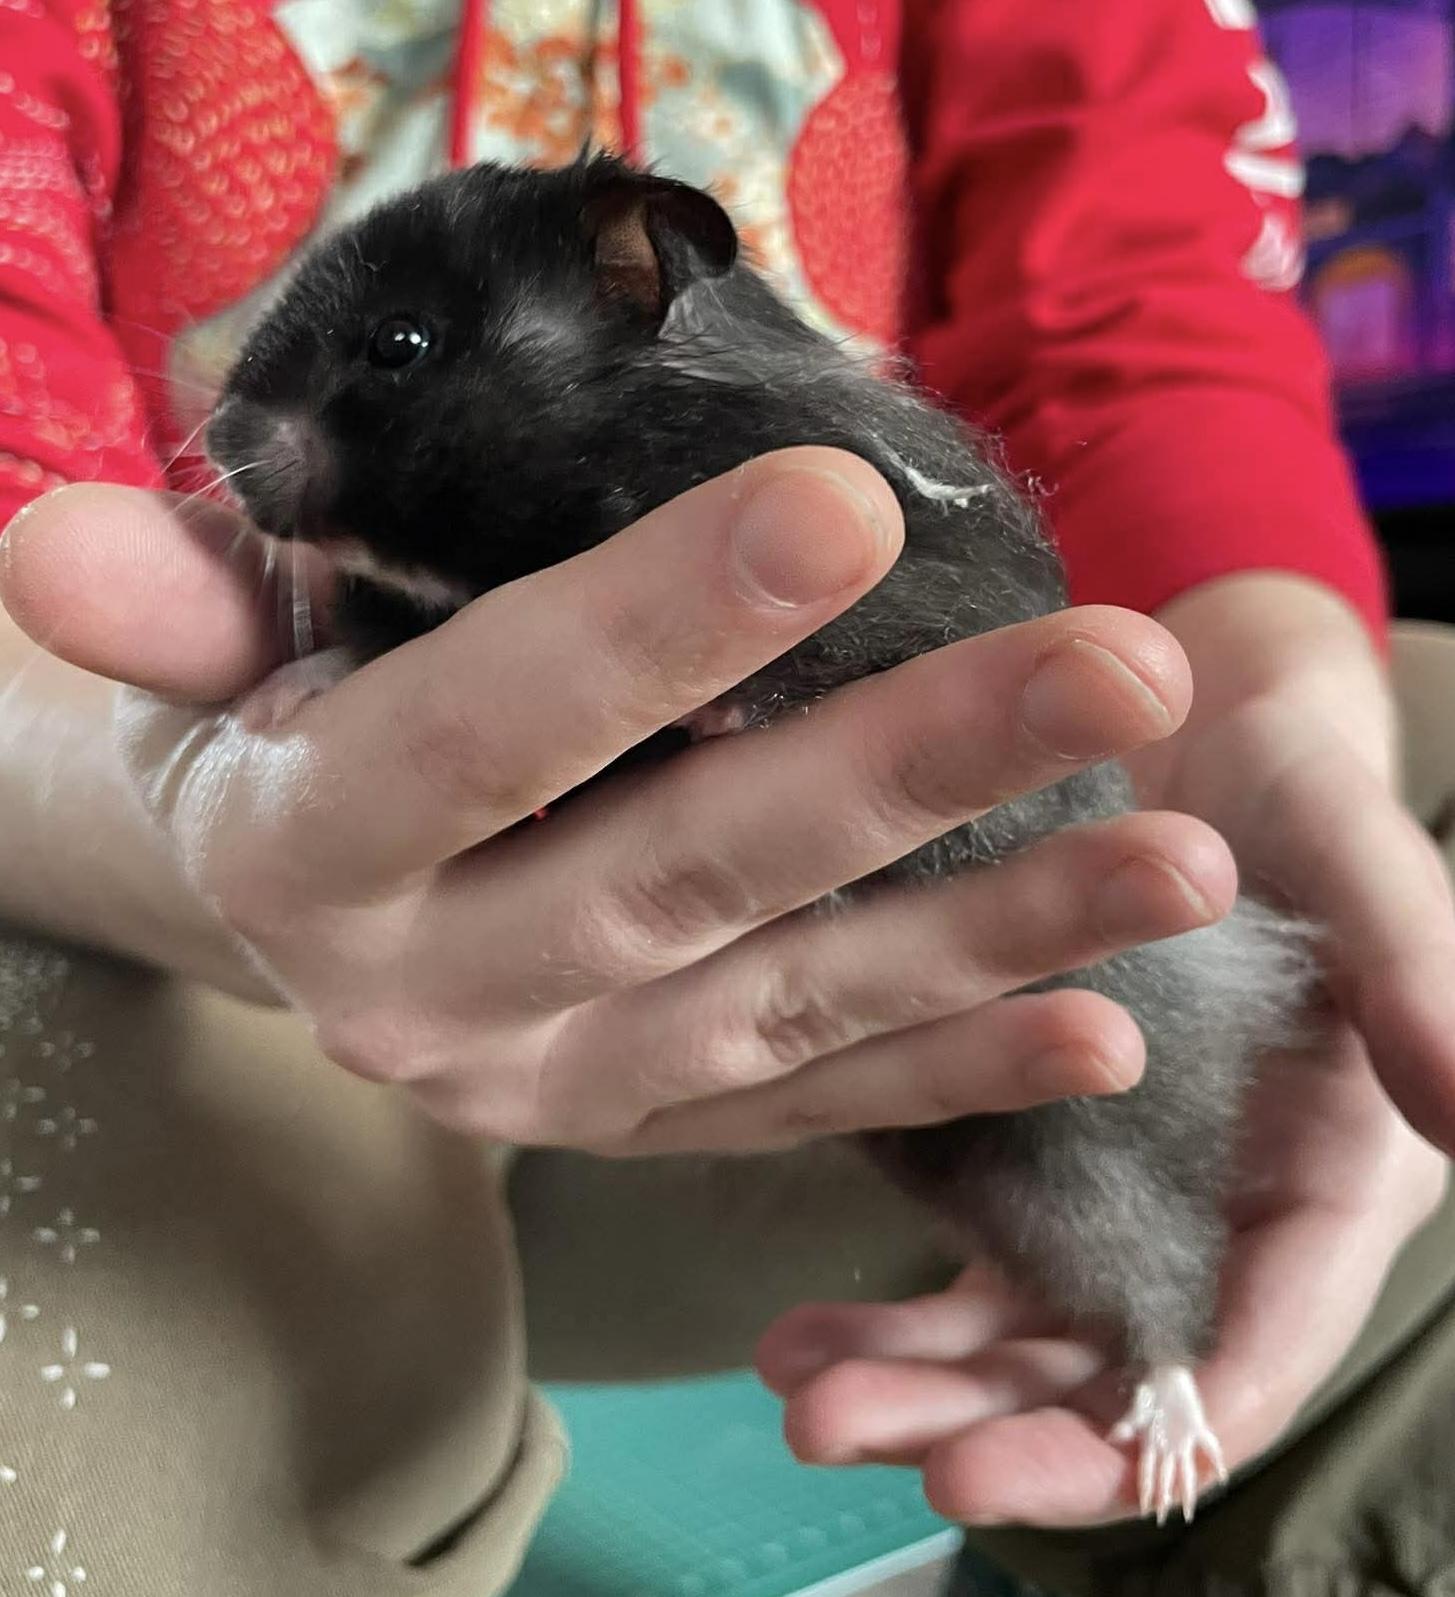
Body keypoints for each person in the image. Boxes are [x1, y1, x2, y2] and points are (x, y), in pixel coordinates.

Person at [0, 0, 1451, 1593]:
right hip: (139, 879)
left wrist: (1271, 706)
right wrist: (183, 821)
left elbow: (1134, 308)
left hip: (992, 906)